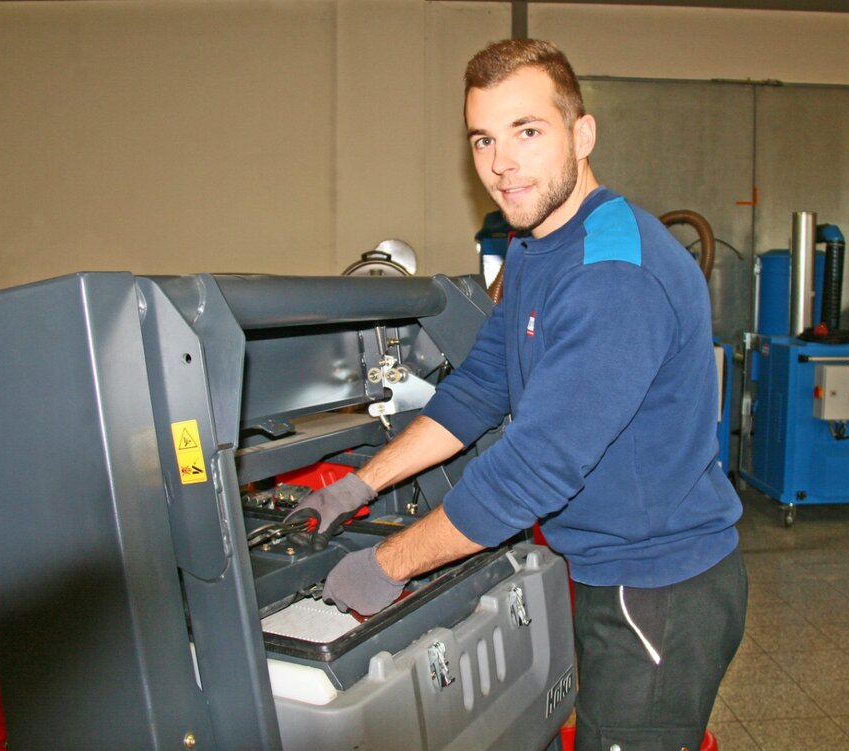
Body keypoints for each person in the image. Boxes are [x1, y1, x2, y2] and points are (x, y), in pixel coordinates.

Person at [289, 38, 747, 750]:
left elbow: (533, 469)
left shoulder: (612, 276)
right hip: (605, 566)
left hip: (659, 589)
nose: (501, 164)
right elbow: (478, 388)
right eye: (483, 140)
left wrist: (384, 565)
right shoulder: (536, 246)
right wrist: (357, 485)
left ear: (581, 133)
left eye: (526, 132)